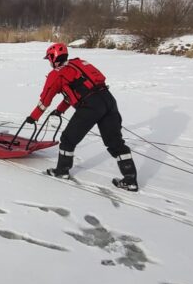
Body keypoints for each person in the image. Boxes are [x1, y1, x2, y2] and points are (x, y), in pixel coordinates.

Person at [26, 42, 138, 191]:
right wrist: (60, 111)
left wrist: (33, 117)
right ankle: (130, 180)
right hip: (108, 100)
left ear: (54, 58)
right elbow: (75, 92)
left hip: (90, 106)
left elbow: (46, 100)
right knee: (115, 142)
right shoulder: (79, 64)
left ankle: (62, 171)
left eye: (49, 59)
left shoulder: (56, 74)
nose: (49, 62)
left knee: (67, 139)